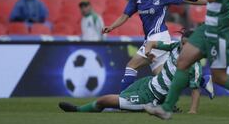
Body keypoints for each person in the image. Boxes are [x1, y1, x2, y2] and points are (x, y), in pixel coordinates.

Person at [58, 29, 214, 113]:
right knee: (119, 100)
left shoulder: (195, 66)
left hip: (150, 98)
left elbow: (195, 91)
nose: (184, 47)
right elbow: (152, 42)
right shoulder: (174, 46)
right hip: (147, 84)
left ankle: (77, 110)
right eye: (183, 43)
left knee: (105, 100)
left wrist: (193, 111)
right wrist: (148, 52)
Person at [102, 0, 206, 92]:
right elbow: (125, 15)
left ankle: (123, 100)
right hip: (153, 38)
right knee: (162, 77)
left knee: (131, 66)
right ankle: (202, 81)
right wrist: (112, 26)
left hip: (158, 37)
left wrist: (208, 1)